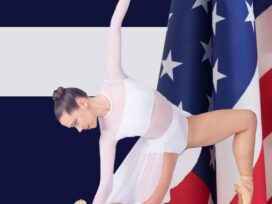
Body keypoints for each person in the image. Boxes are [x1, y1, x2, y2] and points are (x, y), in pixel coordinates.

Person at [52, 0, 256, 203]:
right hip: (161, 150)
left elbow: (115, 25)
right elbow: (106, 184)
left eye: (75, 123)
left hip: (185, 127)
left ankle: (246, 192)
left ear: (81, 103)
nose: (78, 129)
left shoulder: (114, 79)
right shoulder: (107, 136)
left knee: (247, 119)